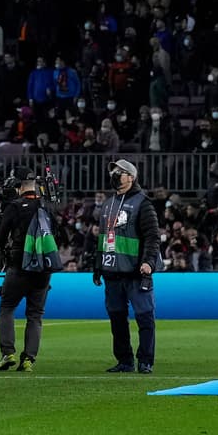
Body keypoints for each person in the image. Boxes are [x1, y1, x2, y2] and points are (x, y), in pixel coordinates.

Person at [93, 159, 160, 374]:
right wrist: (98, 265)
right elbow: (103, 237)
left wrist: (148, 262)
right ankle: (124, 360)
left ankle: (145, 360)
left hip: (135, 271)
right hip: (112, 271)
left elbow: (152, 237)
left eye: (120, 172)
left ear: (131, 177)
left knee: (145, 317)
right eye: (114, 170)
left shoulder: (144, 203)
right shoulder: (108, 203)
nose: (114, 174)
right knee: (117, 318)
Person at [0, 169, 59, 372]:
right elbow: (58, 235)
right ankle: (29, 359)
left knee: (7, 308)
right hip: (43, 269)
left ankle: (8, 353)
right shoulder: (47, 206)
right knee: (35, 314)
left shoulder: (14, 207)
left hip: (19, 266)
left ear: (19, 186)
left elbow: (0, 238)